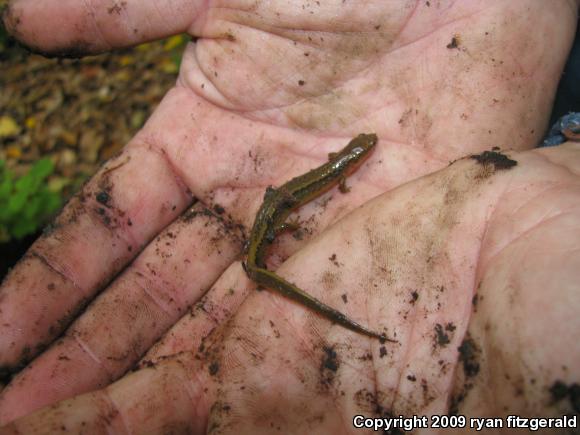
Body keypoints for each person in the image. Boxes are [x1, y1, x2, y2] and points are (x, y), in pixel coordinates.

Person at [0, 0, 579, 433]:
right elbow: (327, 174)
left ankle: (262, 259)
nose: (365, 155)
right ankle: (258, 260)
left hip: (281, 208)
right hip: (274, 212)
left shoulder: (340, 168)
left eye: (363, 152)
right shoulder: (337, 171)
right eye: (363, 152)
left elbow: (338, 166)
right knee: (264, 243)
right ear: (355, 158)